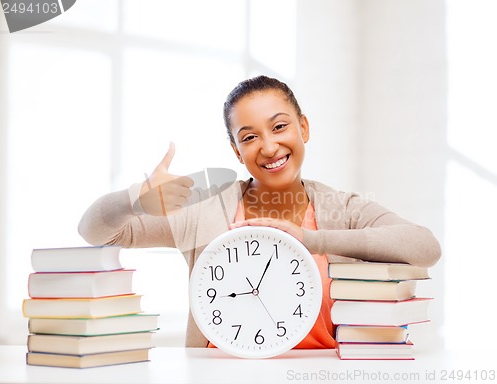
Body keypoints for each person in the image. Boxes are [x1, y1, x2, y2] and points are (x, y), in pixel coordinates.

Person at [78, 75, 441, 348]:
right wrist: (134, 200)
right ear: (237, 152)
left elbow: (425, 247)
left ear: (304, 128)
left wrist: (312, 240)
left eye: (280, 126)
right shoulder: (205, 211)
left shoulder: (341, 209)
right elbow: (96, 231)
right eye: (249, 137)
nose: (269, 147)